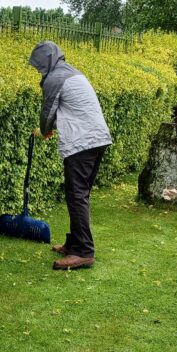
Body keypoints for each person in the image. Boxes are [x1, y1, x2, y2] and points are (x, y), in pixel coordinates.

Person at [30, 41, 112, 271]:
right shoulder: (72, 72)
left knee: (76, 195)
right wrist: (51, 128)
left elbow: (47, 112)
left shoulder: (55, 79)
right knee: (79, 194)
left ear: (46, 61)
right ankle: (75, 242)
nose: (39, 71)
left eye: (39, 66)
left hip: (82, 143)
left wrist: (45, 130)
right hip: (98, 138)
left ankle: (84, 251)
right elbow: (71, 109)